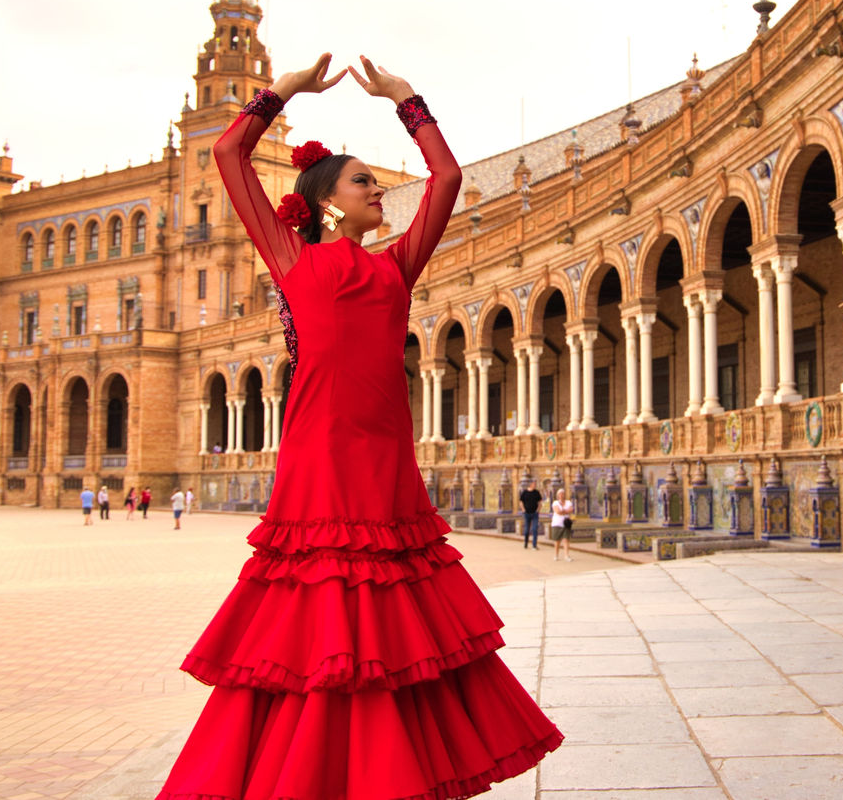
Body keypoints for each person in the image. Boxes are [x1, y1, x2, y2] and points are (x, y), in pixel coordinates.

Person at [153, 53, 561, 800]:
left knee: (386, 614)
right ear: (328, 202)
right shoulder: (289, 260)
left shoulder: (397, 265)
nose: (380, 189)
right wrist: (282, 93)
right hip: (317, 452)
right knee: (319, 606)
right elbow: (228, 153)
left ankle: (384, 768)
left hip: (384, 456)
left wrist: (408, 102)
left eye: (376, 180)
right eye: (364, 181)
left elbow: (443, 181)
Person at [551, 488, 574, 562]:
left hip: (566, 524)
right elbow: (557, 511)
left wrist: (563, 511)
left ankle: (566, 555)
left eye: (562, 494)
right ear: (557, 495)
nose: (561, 495)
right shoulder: (555, 503)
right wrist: (565, 511)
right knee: (557, 541)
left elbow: (571, 510)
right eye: (560, 494)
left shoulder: (568, 502)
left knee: (566, 540)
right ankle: (556, 555)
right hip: (557, 523)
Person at [519, 478, 542, 549]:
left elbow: (540, 502)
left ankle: (534, 545)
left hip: (534, 513)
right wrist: (523, 509)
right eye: (534, 483)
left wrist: (538, 510)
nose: (535, 485)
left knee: (535, 529)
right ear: (530, 484)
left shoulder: (536, 492)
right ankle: (526, 542)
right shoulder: (524, 492)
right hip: (527, 513)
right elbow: (521, 502)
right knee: (526, 530)